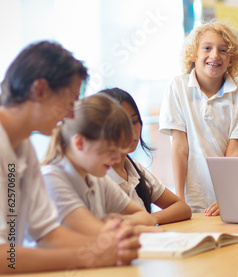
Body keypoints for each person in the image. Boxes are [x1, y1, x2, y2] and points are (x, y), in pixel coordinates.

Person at [0, 41, 139, 273]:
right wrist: (91, 256)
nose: (73, 113)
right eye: (70, 101)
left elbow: (47, 233)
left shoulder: (24, 148)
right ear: (40, 90)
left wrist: (115, 247)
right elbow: (6, 256)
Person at [159, 21, 238, 215]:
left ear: (231, 59)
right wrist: (179, 199)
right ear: (193, 54)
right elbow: (179, 145)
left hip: (226, 199)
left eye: (223, 50)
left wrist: (227, 196)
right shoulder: (178, 87)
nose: (215, 55)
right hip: (190, 197)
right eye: (207, 48)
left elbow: (234, 150)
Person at [41, 93, 157, 236]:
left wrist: (122, 221)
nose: (117, 158)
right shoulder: (51, 179)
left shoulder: (97, 178)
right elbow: (98, 235)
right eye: (111, 150)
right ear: (80, 143)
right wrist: (136, 228)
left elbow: (146, 217)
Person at [100, 88, 192, 224]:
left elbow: (182, 208)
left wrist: (149, 219)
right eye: (122, 124)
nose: (131, 131)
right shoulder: (98, 176)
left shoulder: (133, 168)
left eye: (134, 121)